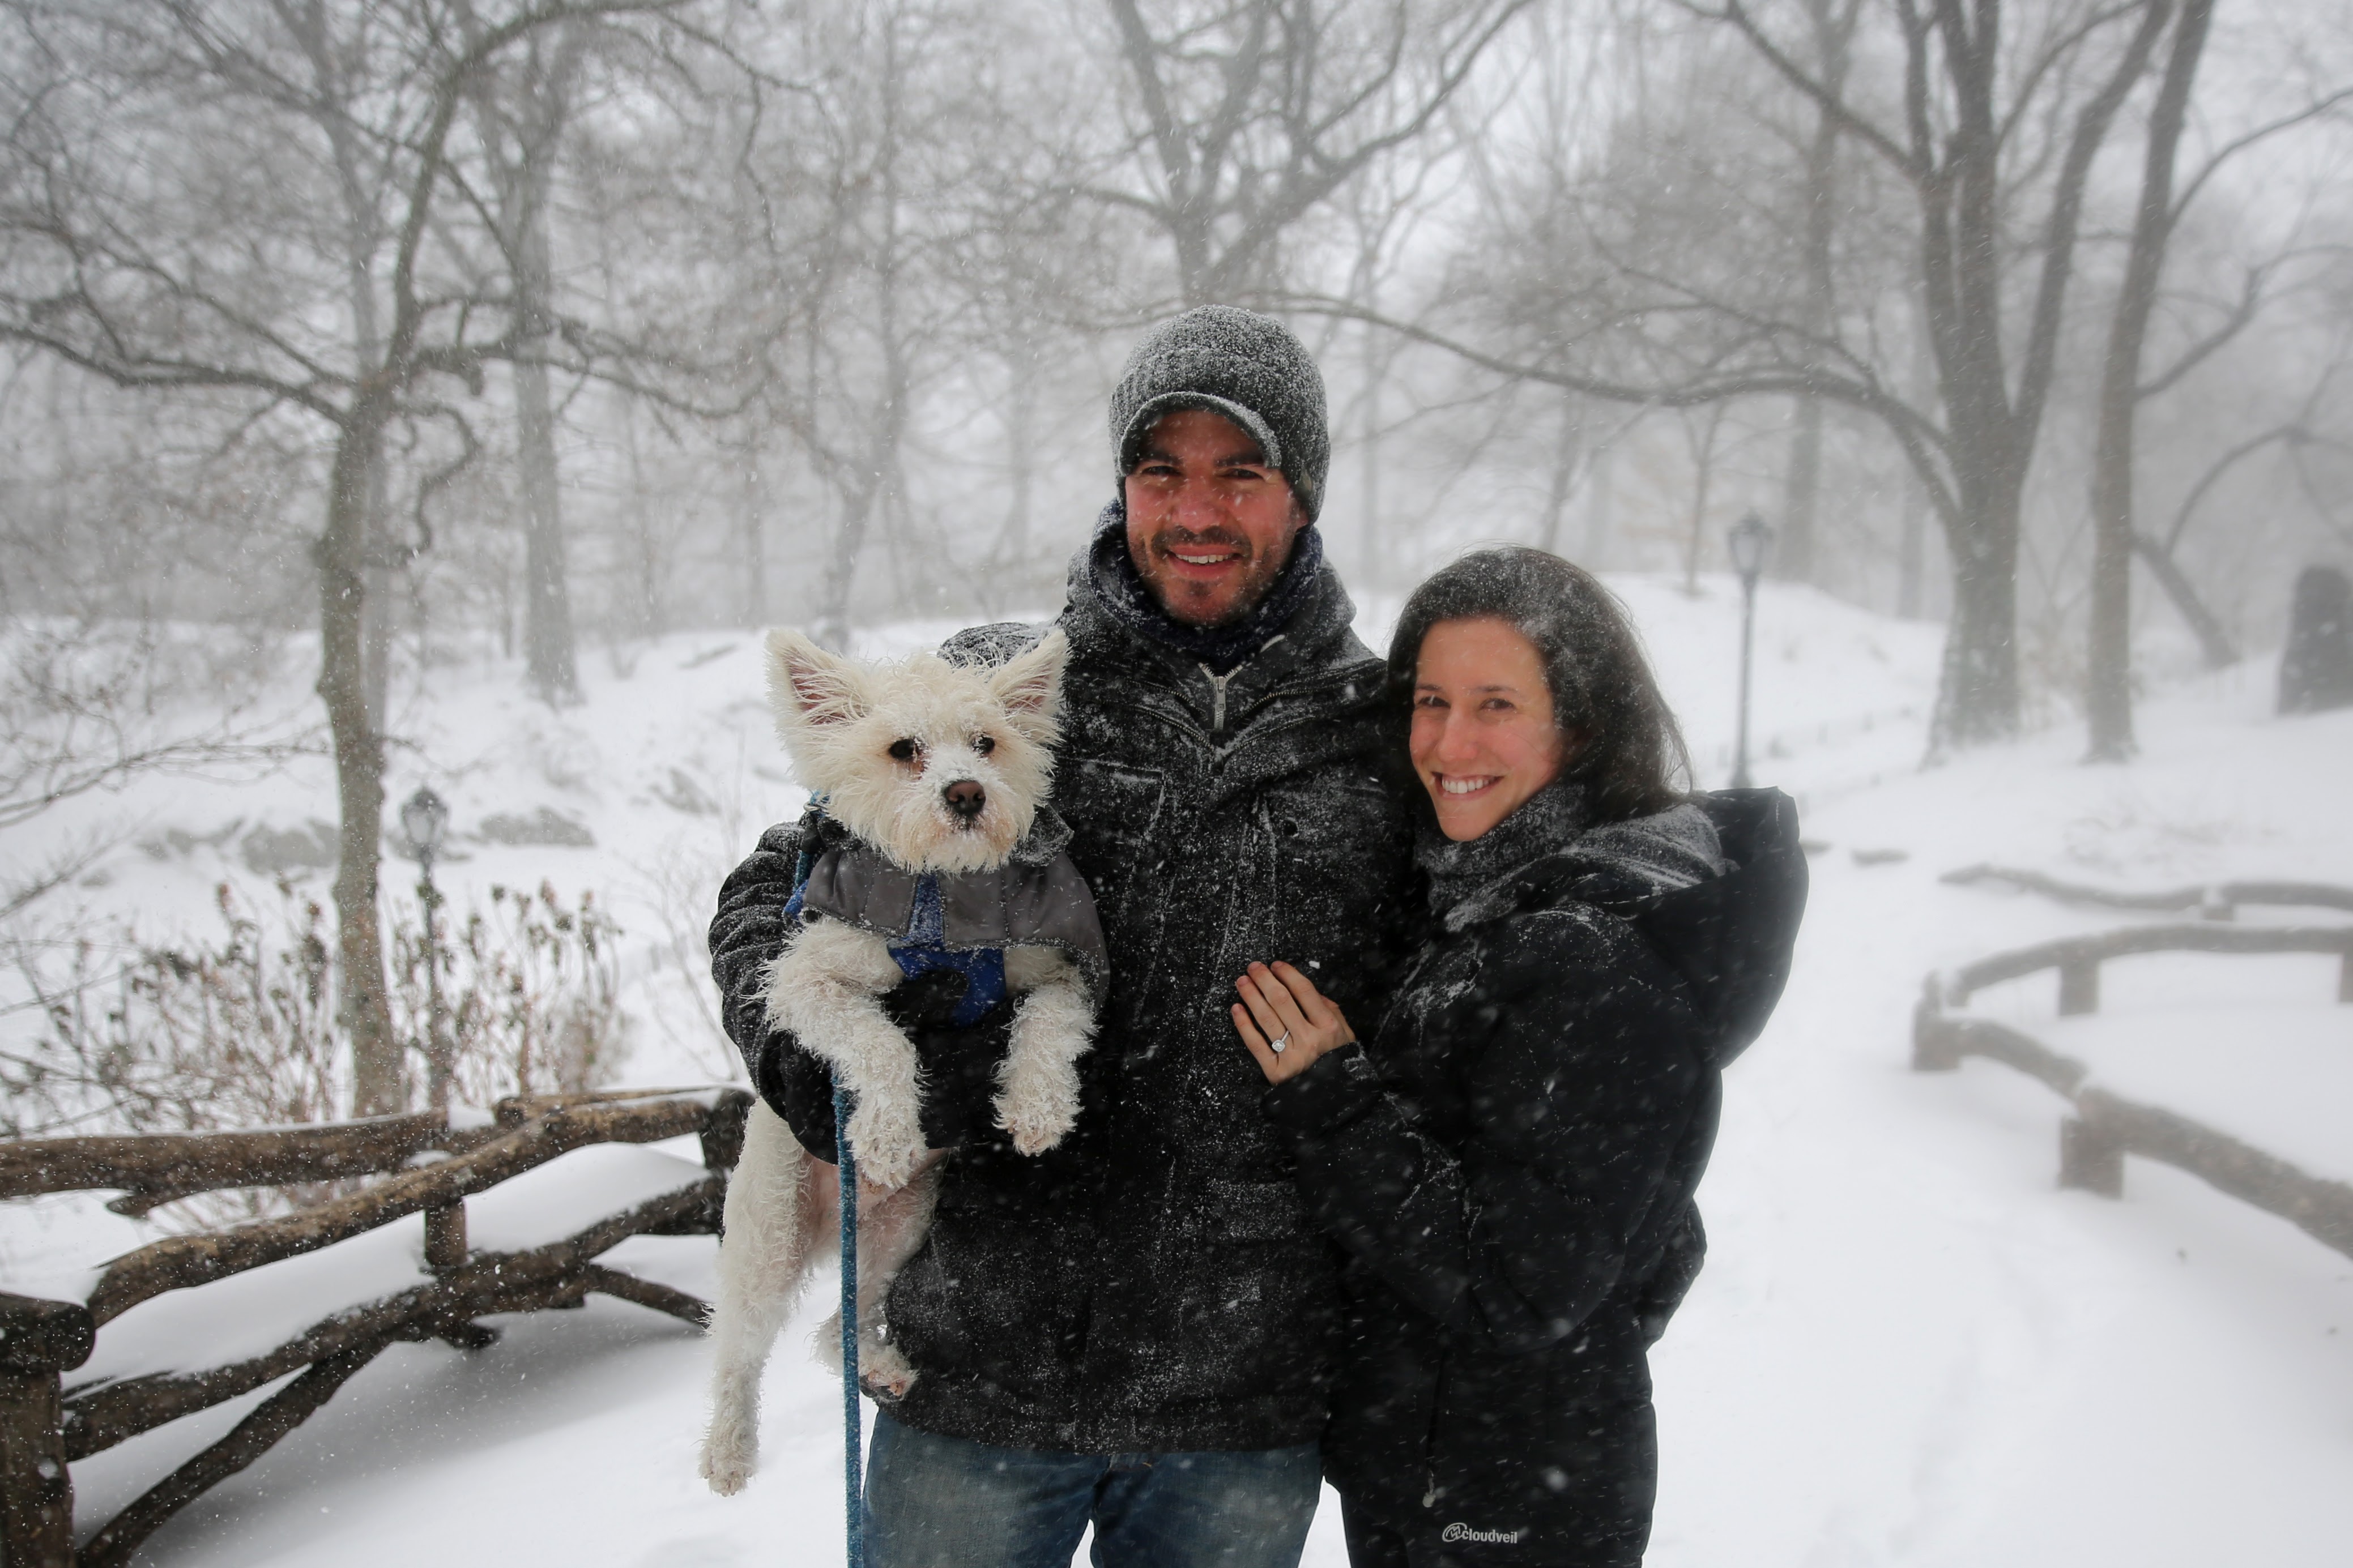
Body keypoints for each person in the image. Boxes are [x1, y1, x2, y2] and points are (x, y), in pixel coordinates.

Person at [709, 305, 1417, 1567]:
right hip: (975, 1368)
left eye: (1238, 474)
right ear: (1123, 487)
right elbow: (786, 872)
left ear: (1300, 494)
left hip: (1242, 1401)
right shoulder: (1002, 686)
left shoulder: (1378, 731)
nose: (1195, 508)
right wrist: (798, 1054)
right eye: (1162, 472)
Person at [1230, 547, 1806, 1567]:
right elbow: (1634, 1232)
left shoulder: (1583, 950)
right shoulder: (1485, 902)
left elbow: (1518, 1286)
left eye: (1496, 703)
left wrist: (1329, 1096)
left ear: (1577, 725)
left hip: (1504, 1490)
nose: (1451, 739)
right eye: (1430, 700)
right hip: (1465, 1456)